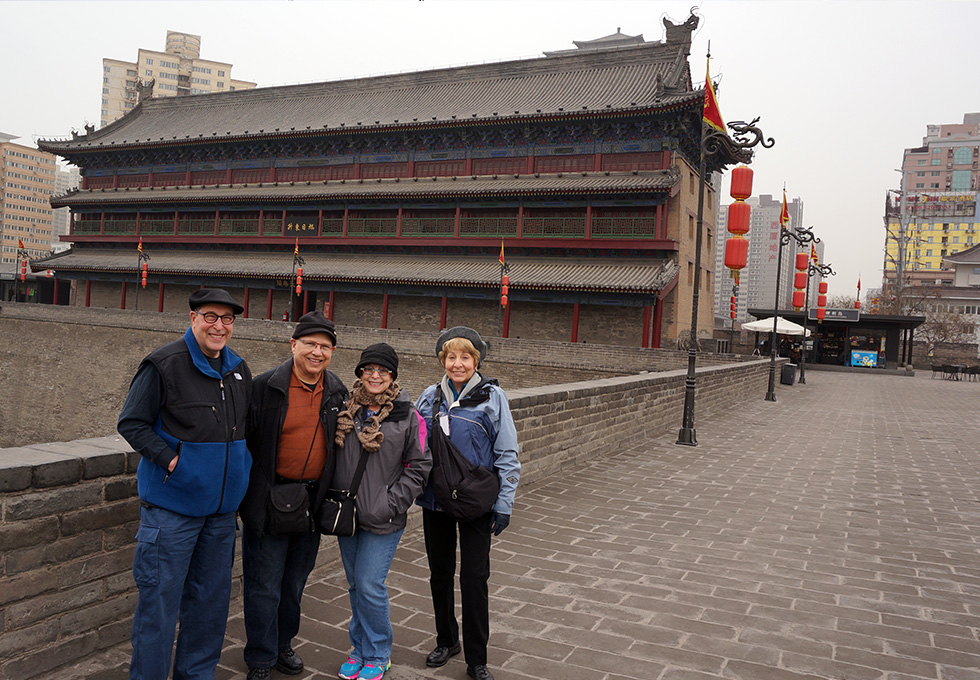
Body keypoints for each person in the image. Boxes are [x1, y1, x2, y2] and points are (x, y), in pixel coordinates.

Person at [117, 288, 252, 680]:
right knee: (159, 610)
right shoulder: (163, 364)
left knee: (209, 608)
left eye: (227, 319)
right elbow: (131, 423)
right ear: (192, 318)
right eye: (211, 316)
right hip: (172, 513)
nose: (219, 326)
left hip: (221, 516)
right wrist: (173, 461)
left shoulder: (239, 368)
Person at [239, 311, 349, 679]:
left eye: (325, 346)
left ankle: (283, 644)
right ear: (293, 345)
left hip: (311, 502)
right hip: (270, 498)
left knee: (294, 582)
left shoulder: (336, 390)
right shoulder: (266, 386)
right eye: (311, 344)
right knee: (263, 584)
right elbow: (246, 444)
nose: (317, 352)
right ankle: (259, 657)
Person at [415, 327, 520, 680]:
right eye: (450, 357)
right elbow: (412, 446)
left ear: (476, 361)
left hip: (477, 501)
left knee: (475, 577)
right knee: (440, 574)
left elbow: (507, 453)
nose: (457, 364)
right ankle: (447, 640)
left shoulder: (493, 398)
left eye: (465, 357)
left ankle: (477, 658)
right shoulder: (429, 398)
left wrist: (504, 503)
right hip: (437, 501)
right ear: (442, 360)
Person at [333, 343, 431, 680]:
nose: (376, 375)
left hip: (384, 516)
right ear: (360, 372)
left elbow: (420, 466)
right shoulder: (346, 408)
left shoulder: (408, 415)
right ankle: (359, 650)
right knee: (355, 585)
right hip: (348, 514)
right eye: (369, 368)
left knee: (370, 583)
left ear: (393, 376)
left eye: (384, 370)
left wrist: (392, 503)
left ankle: (378, 653)